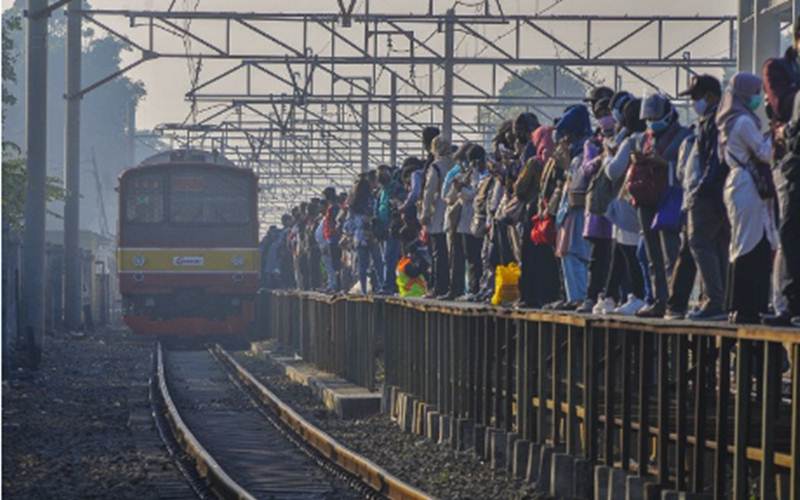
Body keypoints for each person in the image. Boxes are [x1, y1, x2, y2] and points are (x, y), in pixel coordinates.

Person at [716, 72, 776, 324]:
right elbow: (764, 153)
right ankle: (748, 304)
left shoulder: (729, 121)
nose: (757, 98)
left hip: (737, 183)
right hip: (746, 185)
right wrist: (777, 136)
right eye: (754, 93)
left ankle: (737, 303)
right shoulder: (743, 122)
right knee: (752, 243)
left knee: (741, 243)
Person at [628, 93, 692, 317]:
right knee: (651, 254)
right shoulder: (644, 138)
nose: (651, 121)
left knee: (670, 253)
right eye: (648, 117)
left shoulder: (684, 136)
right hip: (646, 198)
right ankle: (658, 299)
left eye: (655, 116)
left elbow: (687, 168)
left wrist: (664, 164)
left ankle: (675, 301)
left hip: (670, 198)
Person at [679, 74, 730, 321]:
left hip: (709, 193)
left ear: (710, 96)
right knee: (717, 245)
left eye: (696, 97)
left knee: (699, 242)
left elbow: (713, 159)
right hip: (719, 193)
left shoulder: (713, 120)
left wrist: (701, 188)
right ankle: (719, 300)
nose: (694, 103)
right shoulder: (718, 118)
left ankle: (714, 300)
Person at [762, 17, 800, 326]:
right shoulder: (777, 68)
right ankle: (787, 303)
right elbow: (781, 106)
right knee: (789, 228)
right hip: (790, 161)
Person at [553, 104, 593, 310]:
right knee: (569, 252)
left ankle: (578, 295)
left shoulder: (582, 153)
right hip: (570, 210)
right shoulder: (578, 151)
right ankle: (573, 295)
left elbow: (577, 183)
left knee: (575, 252)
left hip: (579, 210)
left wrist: (567, 164)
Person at [421, 135, 452, 297]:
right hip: (454, 210)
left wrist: (425, 213)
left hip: (439, 211)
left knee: (437, 252)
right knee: (450, 252)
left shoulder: (436, 167)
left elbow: (429, 192)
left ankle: (438, 286)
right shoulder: (455, 165)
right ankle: (449, 285)